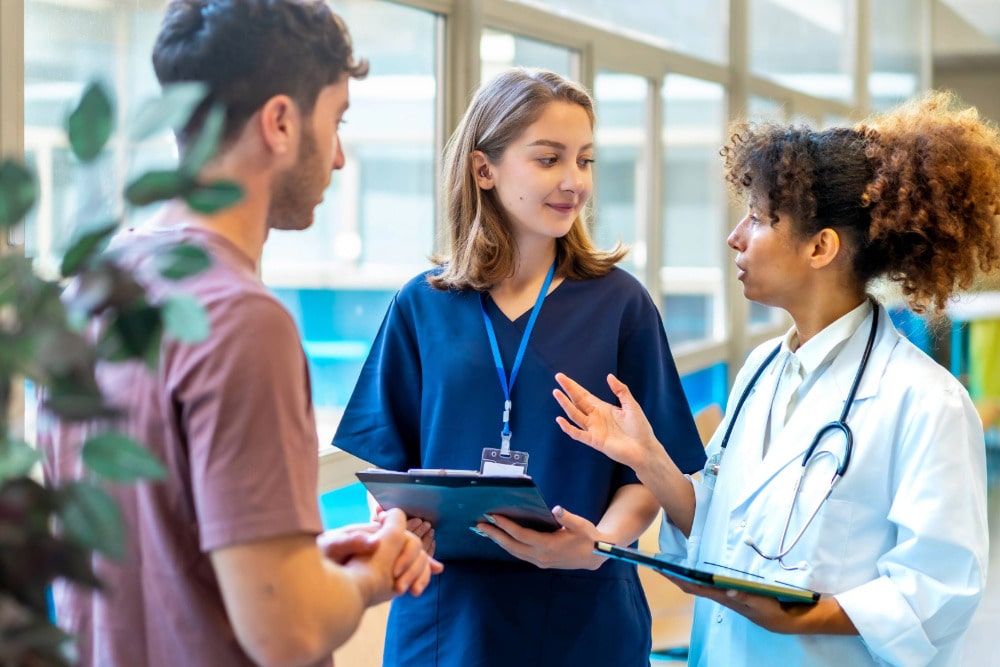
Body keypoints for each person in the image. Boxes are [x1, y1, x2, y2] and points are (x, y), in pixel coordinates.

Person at [38, 2, 440, 666]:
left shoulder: (90, 291)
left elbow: (154, 557)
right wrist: (378, 572)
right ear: (280, 122)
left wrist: (303, 565)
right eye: (335, 122)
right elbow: (287, 634)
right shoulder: (242, 322)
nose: (339, 158)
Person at [553, 90, 1000, 667]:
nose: (736, 236)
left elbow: (938, 594)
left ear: (821, 247)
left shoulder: (926, 401)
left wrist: (795, 616)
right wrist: (648, 459)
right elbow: (717, 528)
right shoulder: (762, 369)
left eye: (760, 218)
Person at [331, 67, 706, 666]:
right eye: (548, 159)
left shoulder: (620, 305)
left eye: (584, 160)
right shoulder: (422, 305)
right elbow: (390, 470)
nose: (573, 181)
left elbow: (649, 476)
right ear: (485, 169)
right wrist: (395, 518)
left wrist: (598, 547)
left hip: (583, 616)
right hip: (447, 620)